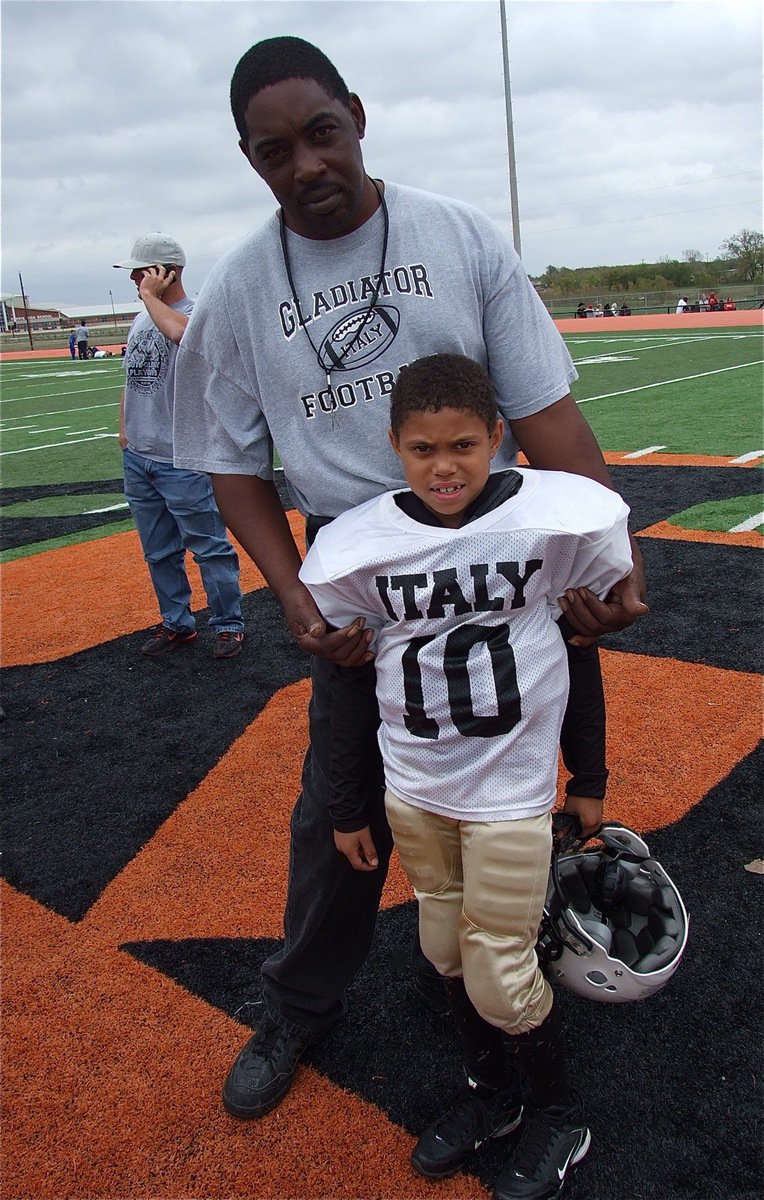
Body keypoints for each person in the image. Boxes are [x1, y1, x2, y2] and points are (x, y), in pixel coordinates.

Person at [172, 35, 647, 1123]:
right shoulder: (243, 286)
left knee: (525, 764)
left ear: (358, 115)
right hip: (358, 560)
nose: (304, 166)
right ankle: (302, 1002)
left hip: (501, 539)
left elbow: (548, 420)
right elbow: (231, 465)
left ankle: (510, 976)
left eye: (320, 133)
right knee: (339, 802)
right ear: (249, 160)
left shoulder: (455, 234)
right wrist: (296, 596)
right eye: (273, 151)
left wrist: (616, 563)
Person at [300, 352, 632, 1199]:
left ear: (498, 438)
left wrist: (586, 775)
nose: (443, 466)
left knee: (498, 964)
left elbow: (580, 655)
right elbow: (346, 685)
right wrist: (348, 802)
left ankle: (561, 1115)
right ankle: (496, 1096)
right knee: (442, 946)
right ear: (394, 448)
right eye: (421, 450)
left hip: (510, 791)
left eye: (462, 446)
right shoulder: (357, 546)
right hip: (415, 786)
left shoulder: (548, 522)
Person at [114, 232, 245, 659]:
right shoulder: (140, 318)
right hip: (140, 457)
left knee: (209, 547)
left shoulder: (197, 313)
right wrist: (125, 430)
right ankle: (177, 623)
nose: (134, 278)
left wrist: (152, 297)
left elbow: (181, 335)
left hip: (182, 457)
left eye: (141, 270)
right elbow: (131, 380)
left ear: (166, 271)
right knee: (158, 553)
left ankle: (228, 624)